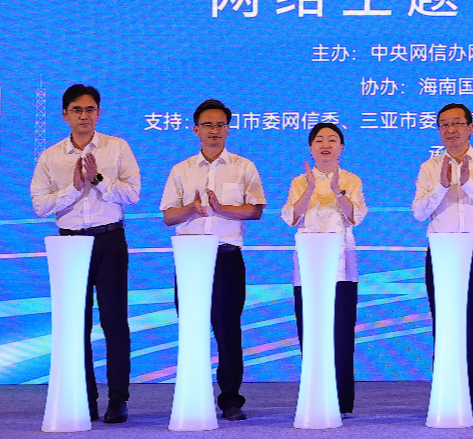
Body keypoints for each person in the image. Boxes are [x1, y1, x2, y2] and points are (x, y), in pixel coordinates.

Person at [31, 84, 141, 424]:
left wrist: (98, 179)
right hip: (70, 244)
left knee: (114, 322)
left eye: (90, 109)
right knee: (76, 324)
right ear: (65, 114)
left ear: (99, 113)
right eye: (77, 110)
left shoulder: (116, 147)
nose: (84, 116)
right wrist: (74, 188)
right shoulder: (51, 156)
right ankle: (85, 398)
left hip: (110, 240)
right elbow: (40, 205)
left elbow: (133, 194)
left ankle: (118, 400)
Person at [160, 99, 265, 421]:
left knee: (228, 329)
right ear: (196, 130)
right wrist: (192, 209)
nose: (214, 130)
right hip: (191, 258)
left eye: (220, 125)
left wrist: (221, 210)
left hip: (226, 256)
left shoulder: (243, 167)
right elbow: (168, 216)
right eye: (208, 125)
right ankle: (194, 394)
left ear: (228, 130)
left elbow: (255, 210)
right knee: (191, 328)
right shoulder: (181, 170)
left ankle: (231, 399)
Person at [412, 103, 473, 419]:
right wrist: (442, 186)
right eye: (444, 124)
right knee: (445, 325)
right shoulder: (430, 167)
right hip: (442, 253)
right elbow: (419, 212)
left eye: (456, 123)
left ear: (470, 127)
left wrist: (468, 183)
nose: (450, 130)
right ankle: (448, 393)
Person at [282, 122, 368, 416]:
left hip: (341, 266)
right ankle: (314, 395)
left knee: (341, 333)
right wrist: (309, 190)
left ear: (341, 147)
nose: (326, 145)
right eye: (319, 140)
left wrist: (338, 192)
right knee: (310, 331)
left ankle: (341, 401)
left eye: (332, 139)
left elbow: (356, 216)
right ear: (311, 148)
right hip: (308, 266)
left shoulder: (351, 180)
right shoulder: (299, 181)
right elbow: (291, 217)